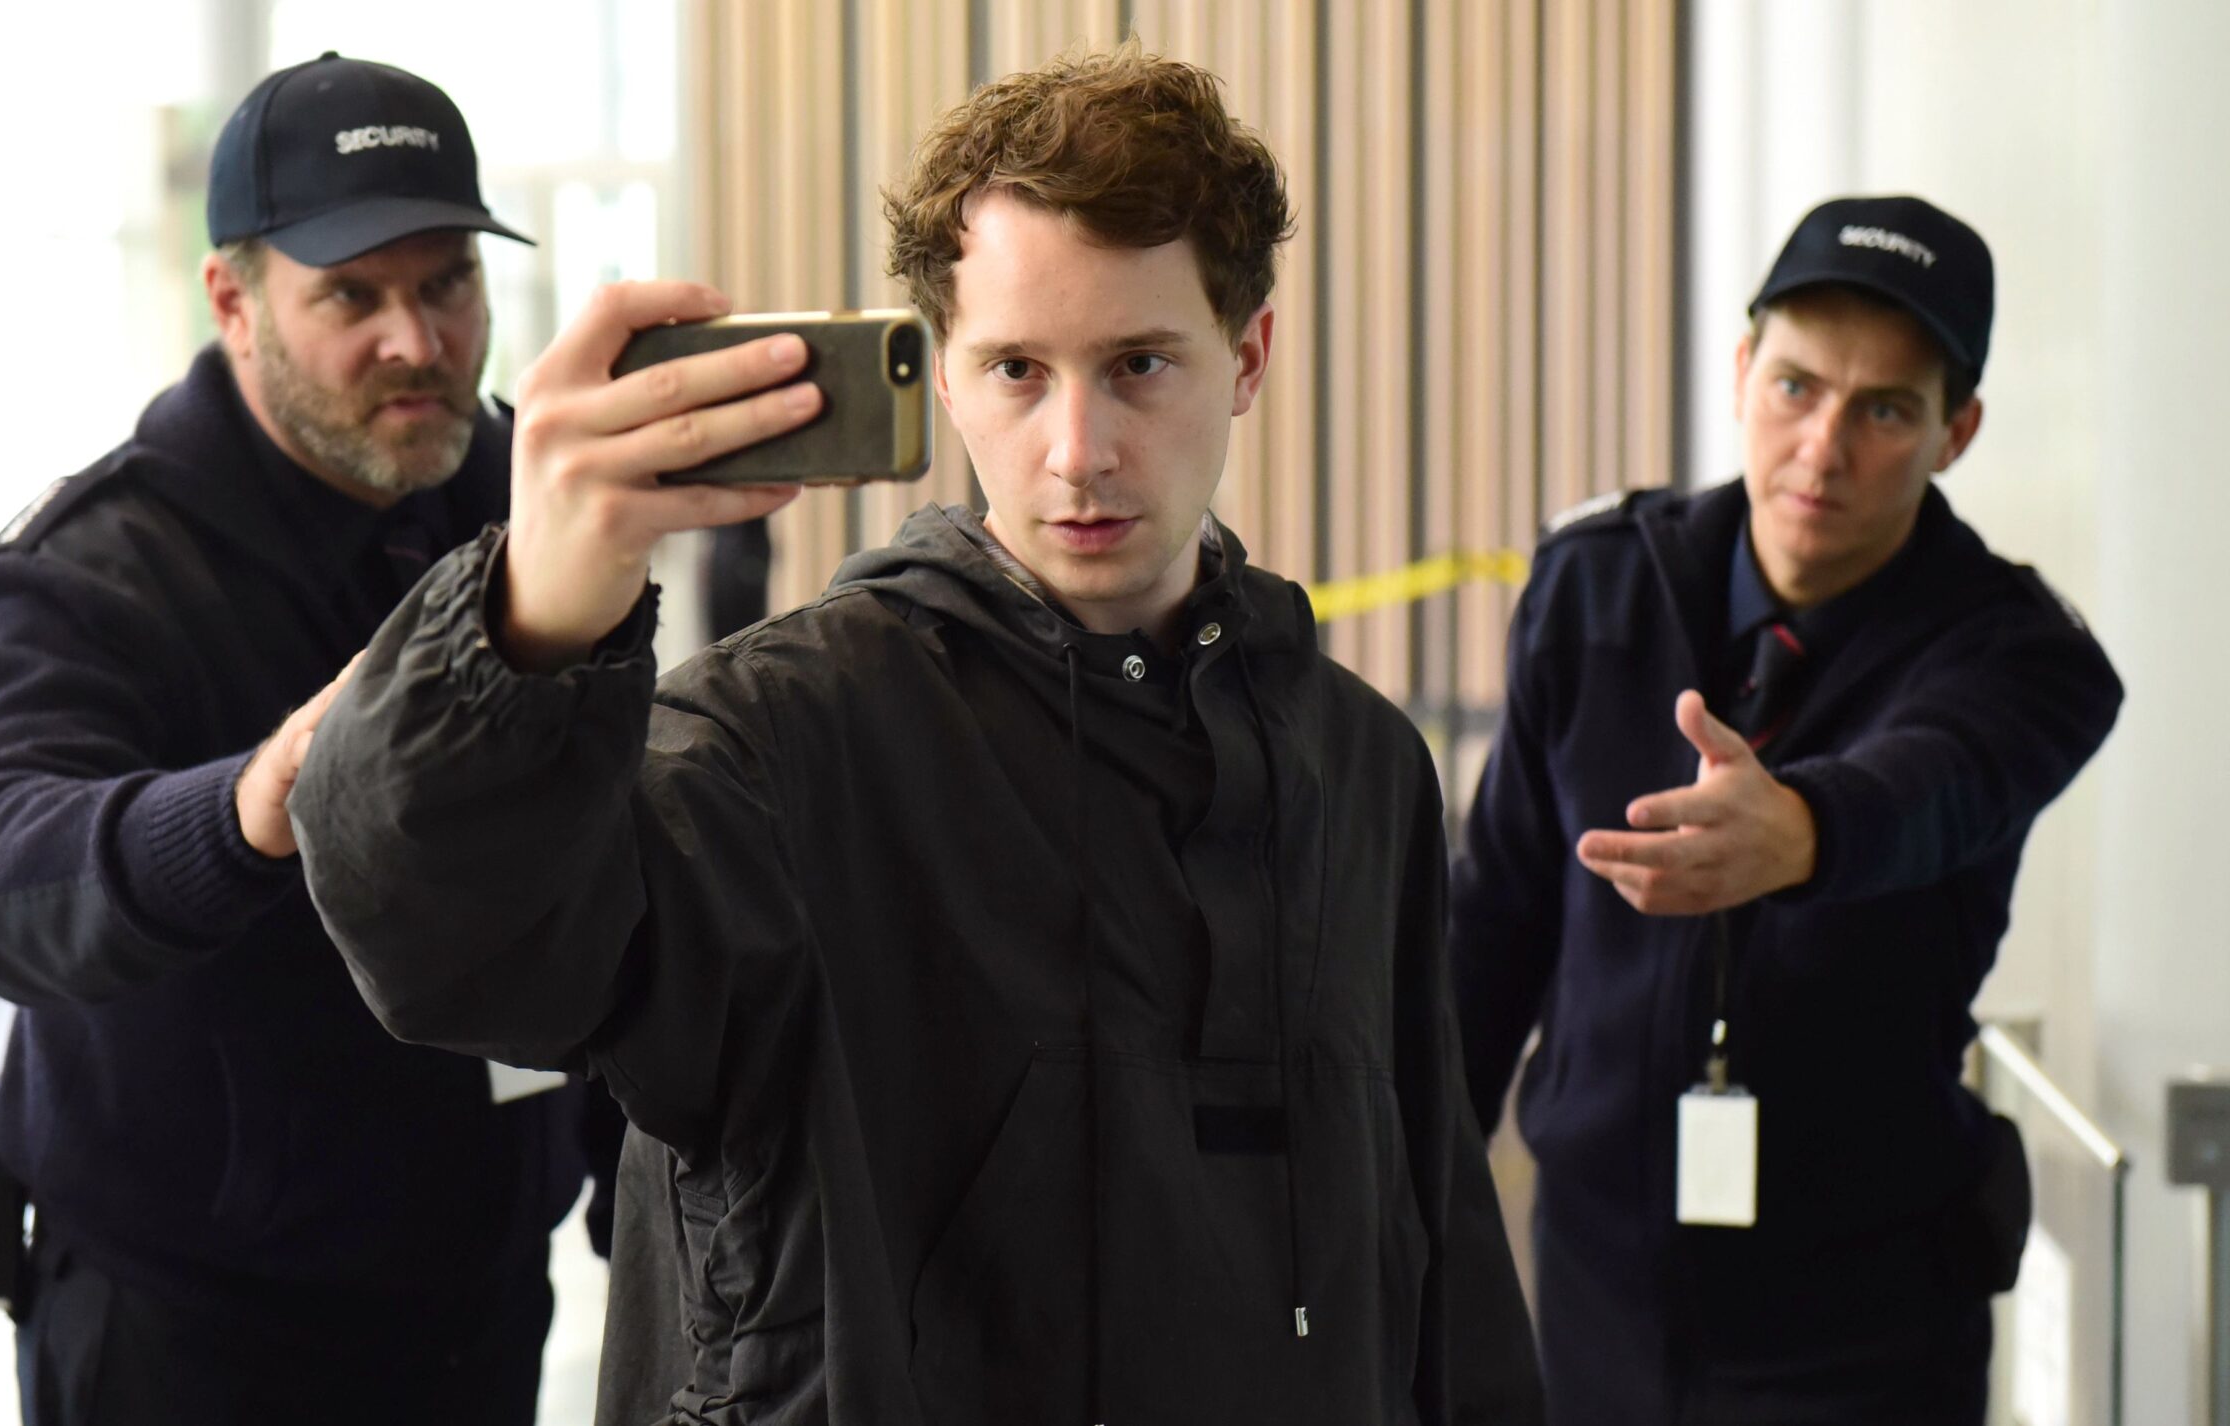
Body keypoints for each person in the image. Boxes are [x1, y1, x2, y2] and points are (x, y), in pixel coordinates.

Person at [292, 43, 1541, 1426]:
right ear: (944, 377)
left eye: (1138, 364)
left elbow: (1442, 1258)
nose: (1077, 448)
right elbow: (452, 951)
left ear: (1243, 357)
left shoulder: (1356, 765)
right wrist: (529, 622)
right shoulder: (777, 746)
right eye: (1017, 369)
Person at [0, 53, 610, 1425]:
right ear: (233, 302)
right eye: (351, 296)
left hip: (477, 1289)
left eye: (447, 283)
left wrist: (636, 1164)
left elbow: (585, 855)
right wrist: (251, 806)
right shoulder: (95, 569)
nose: (416, 340)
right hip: (194, 1330)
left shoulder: (530, 504)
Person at [1451, 195, 2125, 1425]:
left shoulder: (2018, 651)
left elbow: (1937, 779)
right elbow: (1494, 922)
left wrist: (1804, 829)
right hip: (1594, 1285)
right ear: (1740, 372)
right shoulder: (1596, 581)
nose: (1822, 448)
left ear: (1955, 432)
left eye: (1884, 411)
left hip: (1864, 1321)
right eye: (1796, 387)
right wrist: (1411, 1214)